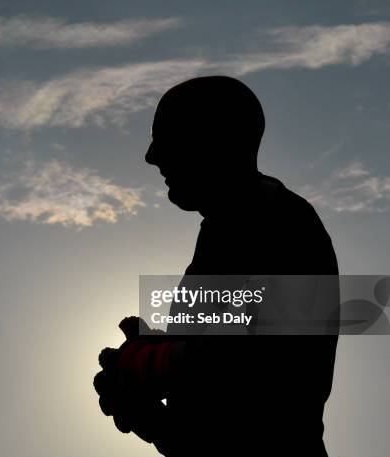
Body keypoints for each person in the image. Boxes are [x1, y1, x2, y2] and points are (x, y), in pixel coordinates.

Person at [94, 76, 339, 456]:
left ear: (213, 139)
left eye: (165, 135)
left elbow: (260, 368)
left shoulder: (281, 221)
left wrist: (148, 364)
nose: (151, 156)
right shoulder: (230, 227)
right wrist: (156, 418)